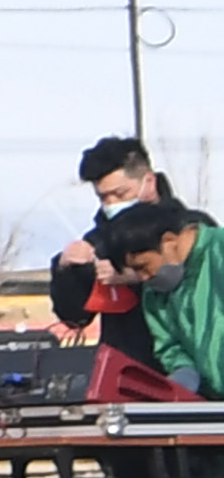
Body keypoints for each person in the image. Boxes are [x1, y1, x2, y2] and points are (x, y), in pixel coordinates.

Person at [50, 136, 167, 364]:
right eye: (104, 197)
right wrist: (68, 270)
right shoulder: (99, 241)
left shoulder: (187, 227)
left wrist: (135, 277)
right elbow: (75, 317)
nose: (112, 204)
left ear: (149, 182)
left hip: (183, 370)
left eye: (121, 194)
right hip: (123, 367)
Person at [100, 198, 215, 390]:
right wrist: (183, 377)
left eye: (143, 267)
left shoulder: (218, 254)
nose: (143, 277)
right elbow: (171, 349)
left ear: (169, 241)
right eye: (134, 271)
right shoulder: (154, 293)